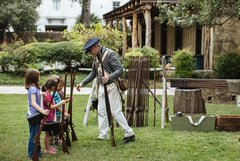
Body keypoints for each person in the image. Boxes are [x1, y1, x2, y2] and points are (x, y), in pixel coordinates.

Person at [76, 37, 135, 143]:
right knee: (101, 111)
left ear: (96, 47)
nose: (90, 53)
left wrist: (109, 77)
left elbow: (120, 70)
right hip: (102, 87)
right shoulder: (96, 57)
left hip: (112, 85)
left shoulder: (110, 54)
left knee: (116, 111)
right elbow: (94, 72)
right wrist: (83, 82)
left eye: (90, 51)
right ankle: (103, 134)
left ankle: (129, 133)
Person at [25, 69, 50, 159]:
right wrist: (43, 111)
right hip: (34, 115)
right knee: (34, 136)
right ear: (34, 77)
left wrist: (42, 94)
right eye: (38, 76)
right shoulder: (33, 89)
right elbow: (33, 103)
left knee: (37, 134)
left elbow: (36, 97)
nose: (40, 77)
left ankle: (37, 152)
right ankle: (32, 154)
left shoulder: (34, 88)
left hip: (37, 115)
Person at [42, 79, 70, 154]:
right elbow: (51, 107)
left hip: (50, 117)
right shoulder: (47, 95)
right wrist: (61, 103)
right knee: (47, 134)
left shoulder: (49, 94)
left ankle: (48, 147)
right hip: (47, 118)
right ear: (53, 87)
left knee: (48, 133)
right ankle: (46, 149)